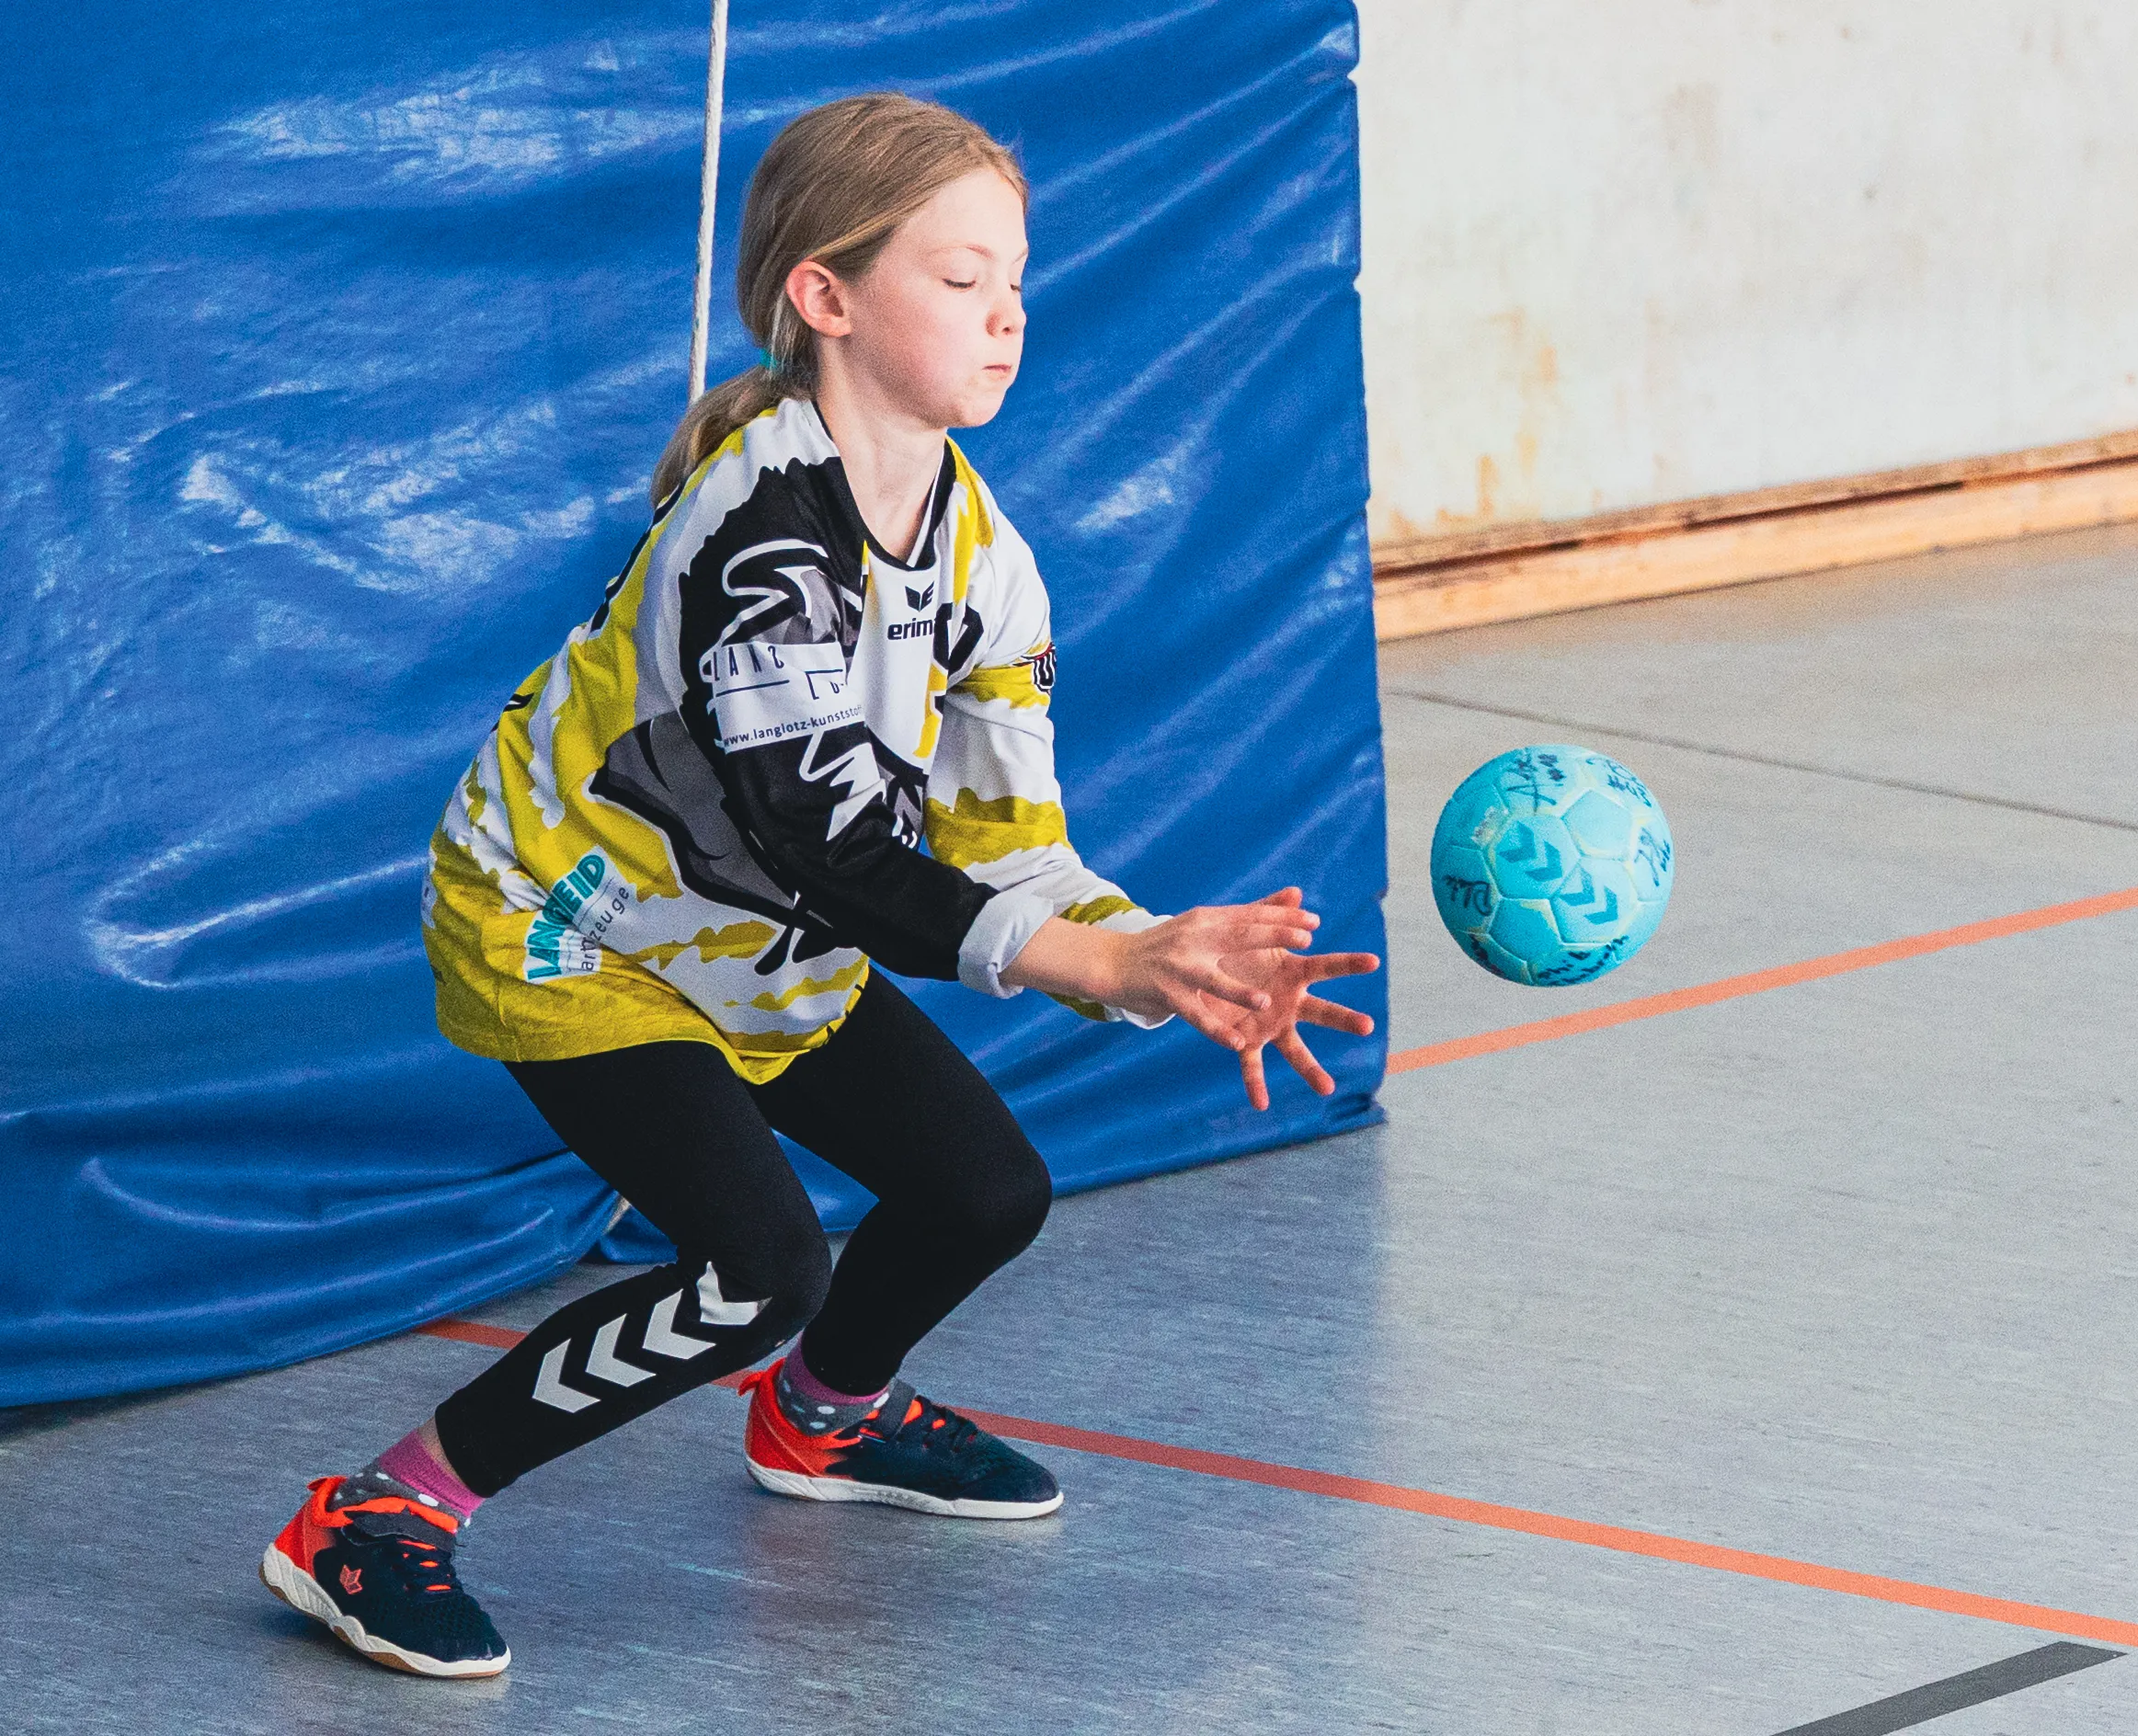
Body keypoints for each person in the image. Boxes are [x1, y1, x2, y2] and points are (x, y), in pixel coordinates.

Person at [259, 91, 1378, 1678]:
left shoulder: (985, 554)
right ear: (826, 297)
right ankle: (376, 1517)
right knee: (755, 1268)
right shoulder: (762, 525)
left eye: (1016, 278)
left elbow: (1004, 841)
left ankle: (823, 1418)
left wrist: (1154, 952)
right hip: (573, 931)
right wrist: (1078, 970)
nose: (1004, 316)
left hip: (749, 943)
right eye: (958, 277)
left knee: (982, 1193)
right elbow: (825, 841)